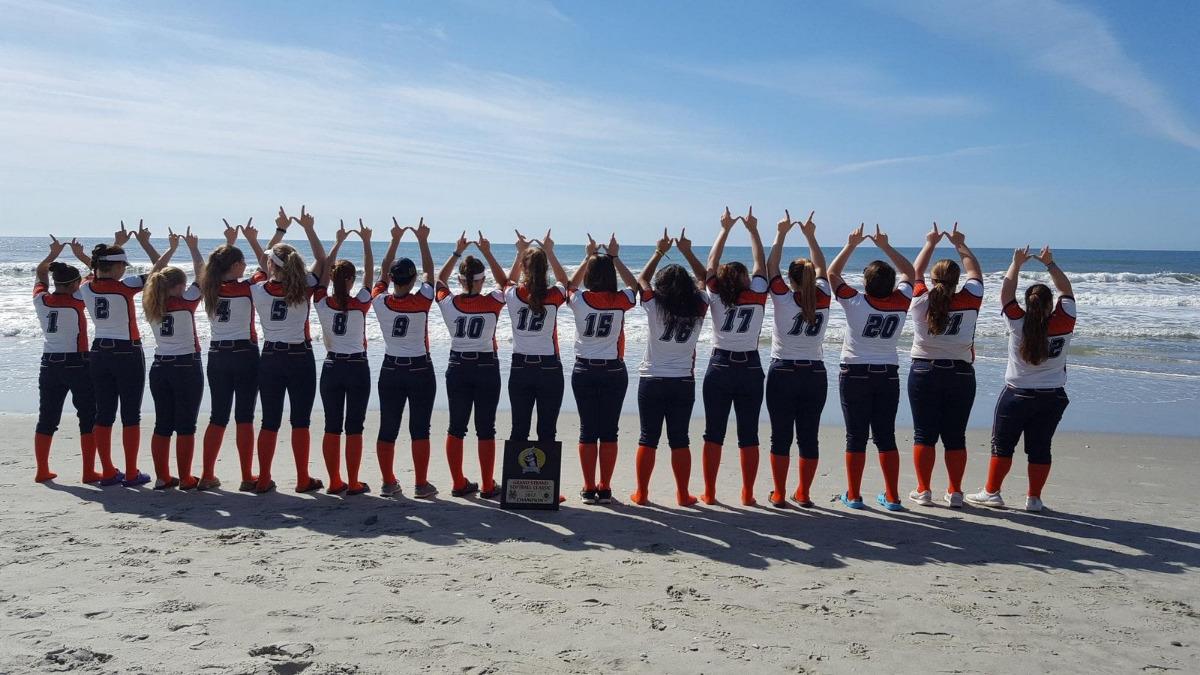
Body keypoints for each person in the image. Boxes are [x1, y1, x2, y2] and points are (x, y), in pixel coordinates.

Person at [968, 245, 1074, 512]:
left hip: (1017, 395)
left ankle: (992, 492)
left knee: (1003, 445)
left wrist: (1015, 263)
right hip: (1052, 396)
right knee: (1040, 448)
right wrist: (1050, 264)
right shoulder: (1066, 319)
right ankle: (1034, 499)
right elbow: (1066, 291)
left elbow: (1005, 295)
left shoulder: (1017, 322)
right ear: (1051, 305)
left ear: (1028, 303)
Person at [827, 224, 916, 511]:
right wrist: (885, 246)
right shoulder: (901, 302)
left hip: (855, 373)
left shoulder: (856, 302)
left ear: (866, 284)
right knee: (885, 435)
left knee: (856, 436)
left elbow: (832, 274)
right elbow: (911, 274)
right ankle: (892, 497)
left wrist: (851, 244)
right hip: (887, 374)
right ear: (891, 285)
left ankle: (853, 495)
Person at [72, 220, 163, 487]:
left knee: (104, 414)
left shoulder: (86, 286)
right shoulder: (126, 286)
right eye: (122, 264)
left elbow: (94, 268)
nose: (125, 269)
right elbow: (161, 270)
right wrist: (145, 243)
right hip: (127, 353)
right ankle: (132, 473)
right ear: (114, 267)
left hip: (99, 352)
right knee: (130, 415)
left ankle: (109, 471)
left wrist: (117, 245)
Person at [246, 206, 327, 493]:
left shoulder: (257, 288)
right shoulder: (304, 285)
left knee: (270, 420)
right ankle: (303, 478)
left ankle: (264, 477)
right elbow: (321, 259)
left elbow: (262, 262)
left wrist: (280, 231)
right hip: (300, 357)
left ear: (272, 266)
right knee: (300, 421)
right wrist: (308, 228)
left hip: (270, 358)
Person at [629, 228, 708, 506]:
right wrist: (687, 250)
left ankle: (642, 493)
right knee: (680, 439)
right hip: (683, 381)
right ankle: (683, 494)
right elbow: (704, 278)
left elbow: (642, 280)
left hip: (651, 379)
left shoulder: (654, 306)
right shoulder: (700, 306)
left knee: (647, 438)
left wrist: (659, 250)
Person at [908, 222, 983, 508]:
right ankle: (954, 492)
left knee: (923, 434)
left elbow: (915, 272)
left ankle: (924, 490)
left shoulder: (920, 300)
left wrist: (929, 243)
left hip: (924, 371)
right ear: (956, 280)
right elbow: (974, 271)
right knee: (955, 436)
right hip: (961, 373)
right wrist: (960, 244)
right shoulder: (971, 297)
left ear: (933, 278)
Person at [701, 207, 769, 506]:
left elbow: (711, 264)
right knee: (748, 434)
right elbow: (761, 264)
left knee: (713, 432)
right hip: (750, 367)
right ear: (745, 279)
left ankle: (711, 493)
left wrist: (724, 229)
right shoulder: (757, 293)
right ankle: (748, 493)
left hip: (720, 365)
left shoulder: (716, 294)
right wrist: (753, 230)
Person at [566, 233, 639, 505]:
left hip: (584, 369)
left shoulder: (581, 300)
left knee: (588, 430)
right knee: (609, 431)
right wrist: (614, 258)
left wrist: (587, 257)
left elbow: (567, 286)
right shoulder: (620, 300)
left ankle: (587, 488)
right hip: (613, 370)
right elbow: (637, 287)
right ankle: (605, 488)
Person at [436, 230, 509, 498]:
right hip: (486, 367)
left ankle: (458, 482)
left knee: (456, 427)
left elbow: (438, 281)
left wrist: (457, 252)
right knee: (485, 427)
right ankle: (488, 485)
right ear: (482, 280)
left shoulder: (450, 303)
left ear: (460, 279)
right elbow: (507, 283)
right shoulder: (493, 301)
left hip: (458, 366)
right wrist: (488, 252)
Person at [764, 211, 829, 507]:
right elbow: (823, 269)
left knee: (781, 437)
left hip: (783, 372)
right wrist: (811, 235)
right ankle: (803, 493)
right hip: (814, 374)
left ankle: (779, 494)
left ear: (790, 279)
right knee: (808, 437)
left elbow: (770, 267)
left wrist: (780, 234)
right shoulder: (823, 296)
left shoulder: (782, 296)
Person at [372, 218, 437, 498]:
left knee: (388, 426)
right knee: (420, 428)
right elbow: (430, 273)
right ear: (412, 280)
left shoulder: (380, 302)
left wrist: (394, 239)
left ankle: (388, 482)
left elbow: (382, 274)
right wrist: (423, 240)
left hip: (391, 369)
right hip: (420, 369)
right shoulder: (422, 301)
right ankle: (421, 484)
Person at [32, 237, 103, 484]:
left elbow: (41, 272)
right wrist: (81, 255)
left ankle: (42, 469)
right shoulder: (78, 300)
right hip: (78, 363)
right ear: (74, 284)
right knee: (88, 416)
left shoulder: (41, 300)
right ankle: (88, 471)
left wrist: (53, 254)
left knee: (47, 417)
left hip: (49, 363)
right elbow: (97, 275)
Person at [141, 228, 206, 490]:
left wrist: (168, 250)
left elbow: (153, 277)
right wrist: (192, 248)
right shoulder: (185, 302)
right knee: (186, 424)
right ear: (179, 286)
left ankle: (162, 477)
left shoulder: (150, 304)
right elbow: (203, 274)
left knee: (163, 423)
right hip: (186, 366)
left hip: (160, 367)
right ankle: (186, 478)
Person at [197, 218, 259, 491]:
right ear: (235, 266)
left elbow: (214, 267)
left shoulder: (207, 286)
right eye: (242, 262)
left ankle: (207, 474)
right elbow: (268, 268)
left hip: (218, 356)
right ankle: (247, 477)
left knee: (218, 416)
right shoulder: (247, 288)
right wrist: (254, 238)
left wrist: (229, 242)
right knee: (244, 416)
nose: (246, 266)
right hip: (245, 354)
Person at [314, 220, 374, 495]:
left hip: (332, 366)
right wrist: (366, 243)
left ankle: (334, 481)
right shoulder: (360, 303)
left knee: (332, 426)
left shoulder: (322, 302)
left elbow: (324, 273)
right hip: (356, 367)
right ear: (350, 280)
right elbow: (371, 277)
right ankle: (352, 482)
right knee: (354, 427)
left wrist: (336, 242)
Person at [505, 229, 569, 445]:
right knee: (547, 431)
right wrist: (550, 252)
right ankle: (545, 479)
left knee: (519, 430)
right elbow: (564, 281)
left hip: (521, 367)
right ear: (545, 269)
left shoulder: (513, 295)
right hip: (549, 367)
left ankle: (516, 478)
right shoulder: (554, 296)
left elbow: (509, 281)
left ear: (524, 267)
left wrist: (519, 253)